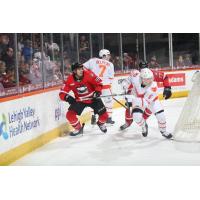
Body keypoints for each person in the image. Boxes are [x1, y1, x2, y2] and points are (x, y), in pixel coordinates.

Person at [120, 62, 172, 139]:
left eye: (151, 78)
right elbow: (126, 81)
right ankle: (144, 126)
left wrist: (167, 88)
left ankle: (163, 131)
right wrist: (125, 87)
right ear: (141, 78)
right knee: (136, 117)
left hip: (151, 100)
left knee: (161, 116)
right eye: (147, 79)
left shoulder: (153, 85)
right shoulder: (135, 76)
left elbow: (164, 76)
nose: (150, 80)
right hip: (138, 98)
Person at [59, 62, 108, 136]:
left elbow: (99, 83)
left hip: (93, 98)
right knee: (69, 115)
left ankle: (100, 124)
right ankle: (78, 128)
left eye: (82, 68)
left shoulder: (89, 74)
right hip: (80, 100)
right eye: (79, 69)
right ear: (74, 71)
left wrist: (97, 92)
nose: (82, 70)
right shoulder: (69, 79)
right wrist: (68, 98)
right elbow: (62, 93)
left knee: (105, 116)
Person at [83, 49, 115, 124]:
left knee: (94, 101)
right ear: (103, 55)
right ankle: (108, 118)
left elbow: (83, 68)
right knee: (109, 102)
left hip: (94, 86)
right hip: (105, 86)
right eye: (108, 55)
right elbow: (111, 78)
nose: (109, 56)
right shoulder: (110, 64)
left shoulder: (93, 60)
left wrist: (90, 75)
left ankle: (93, 116)